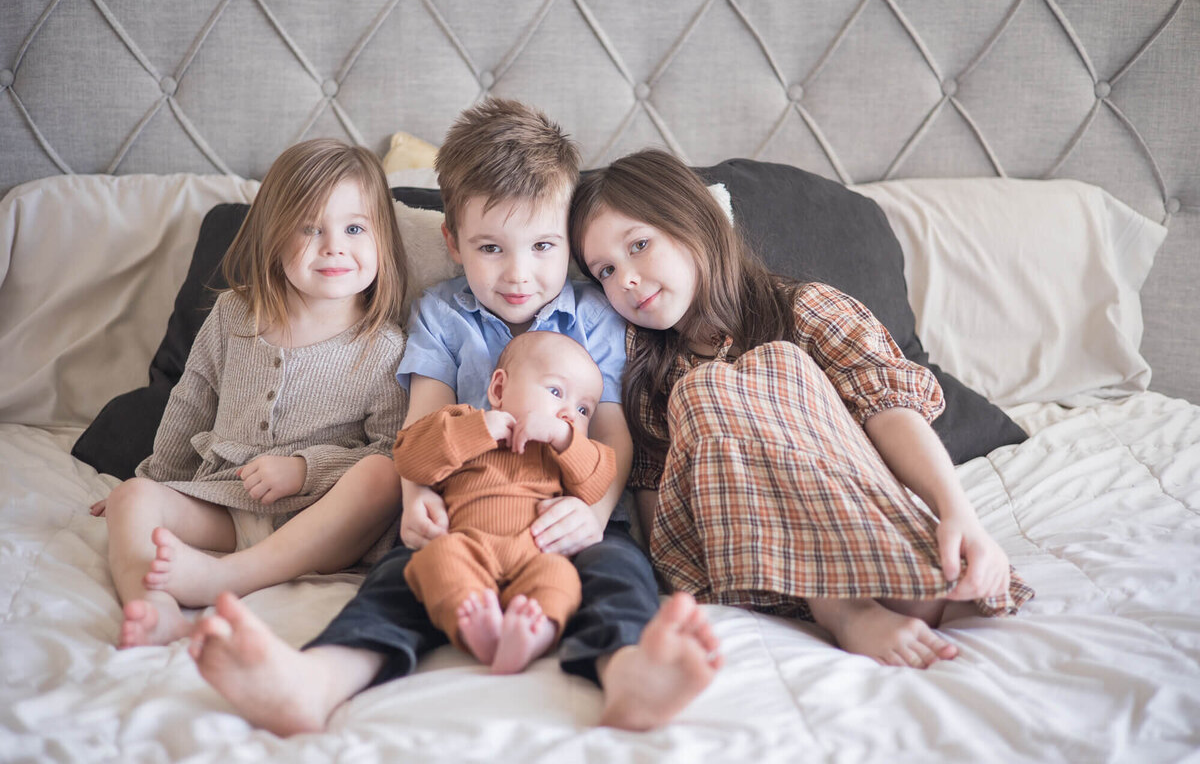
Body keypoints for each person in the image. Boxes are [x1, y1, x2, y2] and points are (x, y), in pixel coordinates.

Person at [188, 99, 722, 735]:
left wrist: (595, 513)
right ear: (452, 241)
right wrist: (415, 500)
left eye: (543, 246)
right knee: (398, 580)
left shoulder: (595, 315)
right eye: (491, 247)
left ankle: (628, 673)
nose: (519, 274)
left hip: (566, 517)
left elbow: (611, 432)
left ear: (570, 248)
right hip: (463, 519)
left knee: (618, 573)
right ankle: (319, 677)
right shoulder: (442, 316)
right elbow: (418, 433)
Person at [570, 148, 1035, 669]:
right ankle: (840, 606)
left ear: (696, 224)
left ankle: (900, 571)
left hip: (852, 514)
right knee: (706, 389)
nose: (625, 279)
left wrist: (959, 516)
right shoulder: (651, 375)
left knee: (776, 363)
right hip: (742, 554)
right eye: (605, 270)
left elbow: (891, 410)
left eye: (639, 245)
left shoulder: (804, 307)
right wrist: (676, 580)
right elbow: (662, 507)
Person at [90, 138, 410, 648]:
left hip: (322, 519)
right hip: (228, 500)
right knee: (131, 498)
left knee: (384, 474)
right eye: (310, 228)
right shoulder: (234, 316)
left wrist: (306, 470)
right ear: (274, 236)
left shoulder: (384, 346)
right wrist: (157, 488)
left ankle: (232, 577)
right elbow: (190, 402)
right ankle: (152, 607)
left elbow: (390, 448)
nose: (333, 246)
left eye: (354, 228)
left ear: (382, 242)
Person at [398, 331, 616, 674]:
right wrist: (477, 429)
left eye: (584, 409)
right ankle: (473, 624)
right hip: (467, 546)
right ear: (499, 389)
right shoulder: (463, 424)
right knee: (437, 561)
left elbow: (599, 481)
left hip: (537, 554)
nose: (569, 414)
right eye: (556, 392)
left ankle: (533, 633)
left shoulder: (562, 452)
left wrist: (563, 438)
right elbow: (410, 457)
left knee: (562, 578)